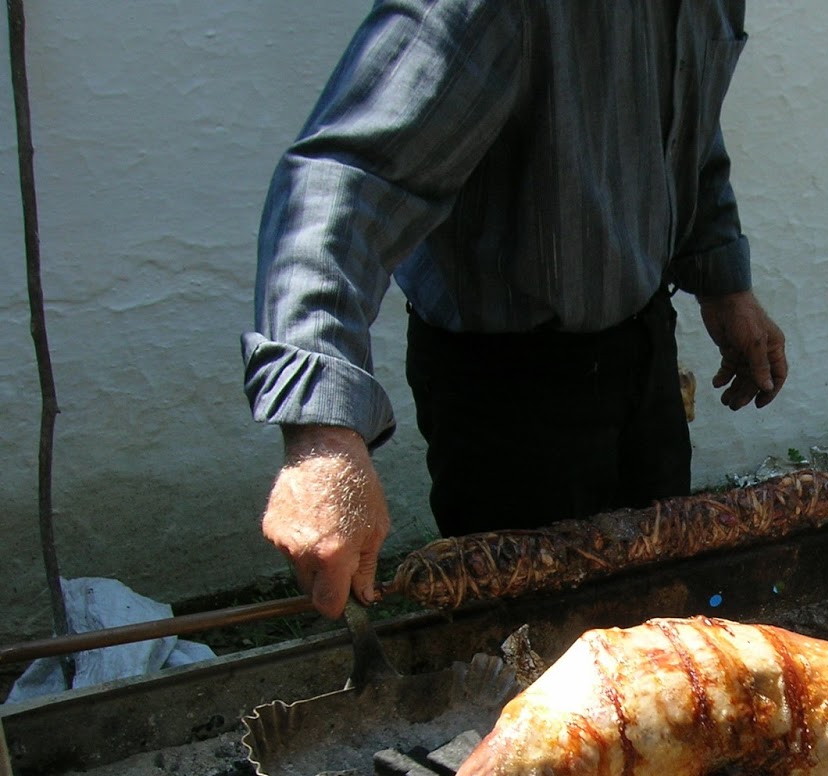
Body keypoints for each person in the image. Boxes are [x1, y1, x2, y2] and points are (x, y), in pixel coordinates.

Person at [243, 2, 787, 619]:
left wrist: (724, 283)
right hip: (509, 390)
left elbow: (684, 126)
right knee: (529, 644)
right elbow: (350, 175)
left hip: (643, 349)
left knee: (660, 613)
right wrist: (322, 434)